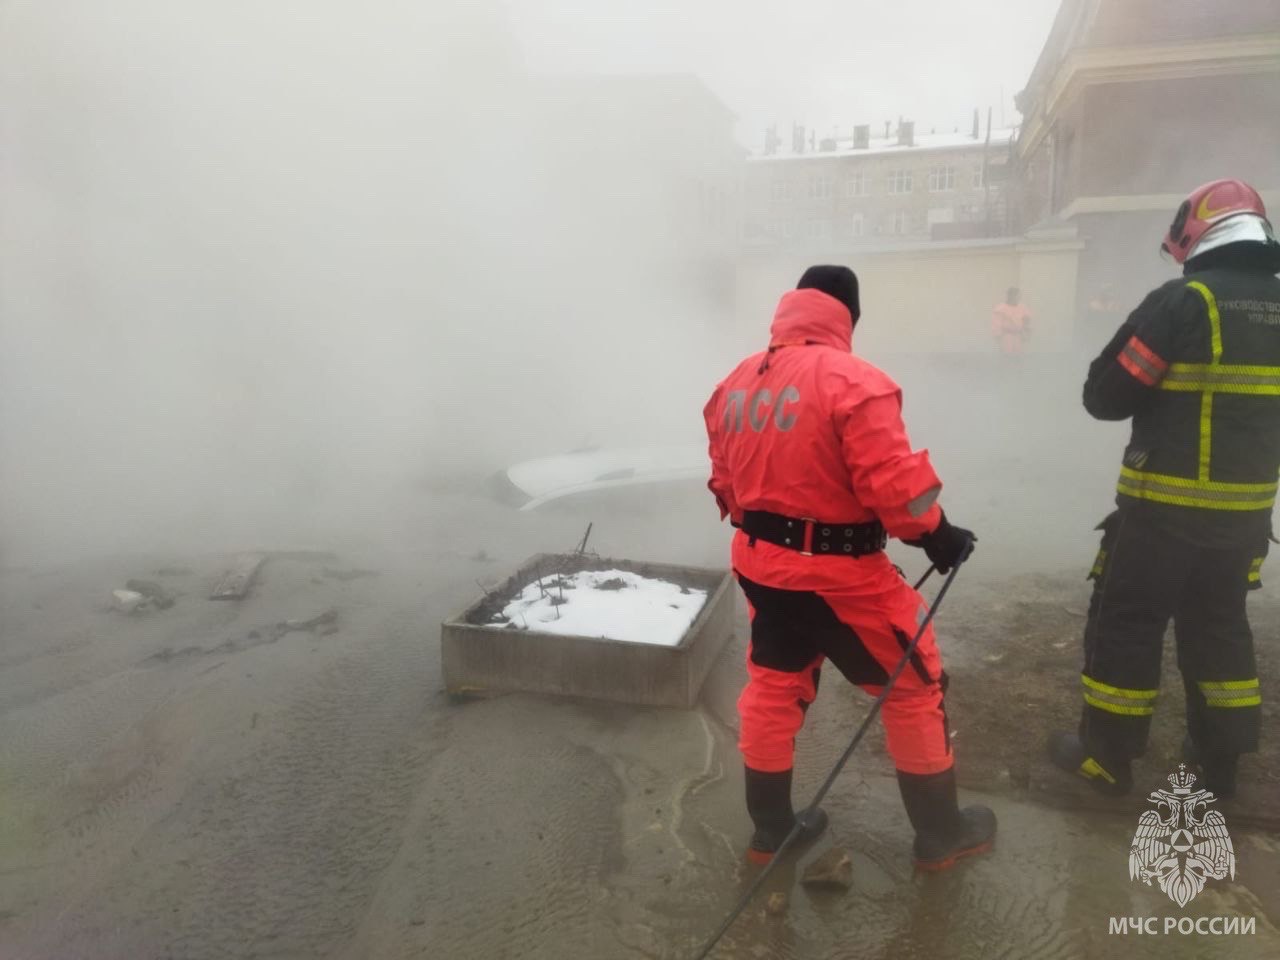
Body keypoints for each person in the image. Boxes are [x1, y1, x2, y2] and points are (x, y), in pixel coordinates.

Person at [702, 265, 995, 871]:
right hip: (840, 576)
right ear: (849, 317)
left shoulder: (734, 383)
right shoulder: (856, 381)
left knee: (773, 685)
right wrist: (938, 536)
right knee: (914, 688)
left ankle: (772, 832)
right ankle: (941, 837)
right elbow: (895, 489)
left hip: (761, 566)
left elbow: (725, 483)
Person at [1049, 179, 1280, 799]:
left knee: (1127, 622)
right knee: (1220, 627)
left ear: (1196, 235)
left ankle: (1107, 757)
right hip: (1245, 519)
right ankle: (1219, 765)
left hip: (1162, 515)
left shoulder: (1184, 303)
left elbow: (1107, 396)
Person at [991, 287, 1032, 354]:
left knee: (1019, 357)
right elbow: (996, 324)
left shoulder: (1022, 307)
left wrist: (1026, 331)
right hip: (1006, 337)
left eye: (1018, 296)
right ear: (1009, 296)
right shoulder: (1000, 308)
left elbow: (1027, 320)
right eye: (1015, 295)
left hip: (1019, 337)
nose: (1017, 298)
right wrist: (998, 337)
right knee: (1007, 356)